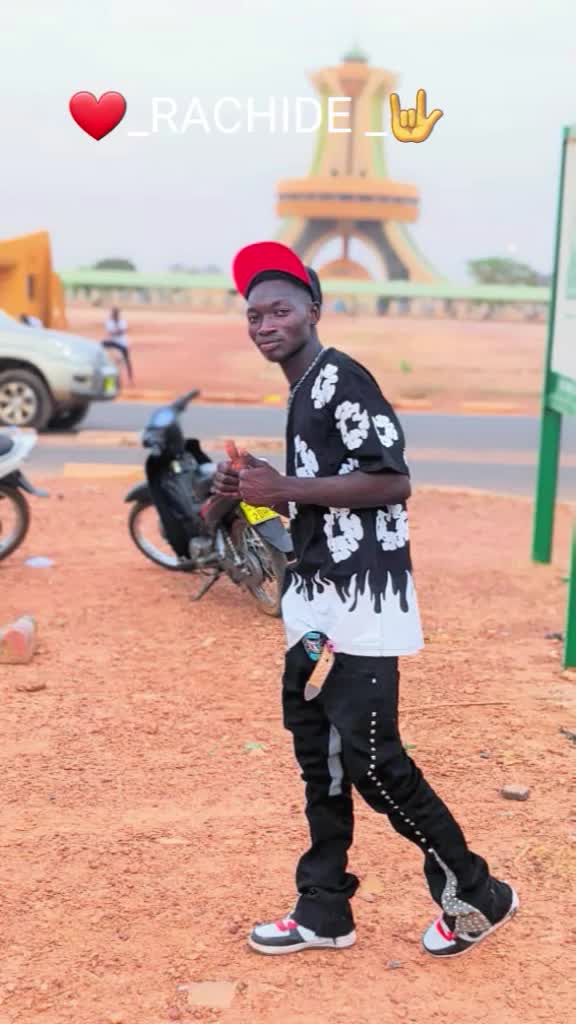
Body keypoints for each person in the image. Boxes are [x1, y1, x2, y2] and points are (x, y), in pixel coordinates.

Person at [213, 241, 519, 959]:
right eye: (254, 315)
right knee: (317, 753)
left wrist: (286, 487)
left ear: (314, 310)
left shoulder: (342, 378)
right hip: (315, 599)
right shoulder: (303, 389)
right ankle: (323, 908)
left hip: (363, 603)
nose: (265, 324)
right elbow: (325, 495)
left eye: (280, 310)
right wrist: (259, 486)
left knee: (373, 762)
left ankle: (478, 893)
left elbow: (392, 480)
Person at [102, 307, 133, 382]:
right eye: (113, 314)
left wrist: (116, 331)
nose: (114, 315)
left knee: (125, 361)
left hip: (122, 344)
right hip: (113, 343)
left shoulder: (122, 322)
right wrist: (118, 331)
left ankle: (130, 377)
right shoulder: (109, 322)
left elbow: (121, 331)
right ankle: (110, 381)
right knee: (111, 364)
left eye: (115, 314)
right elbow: (112, 332)